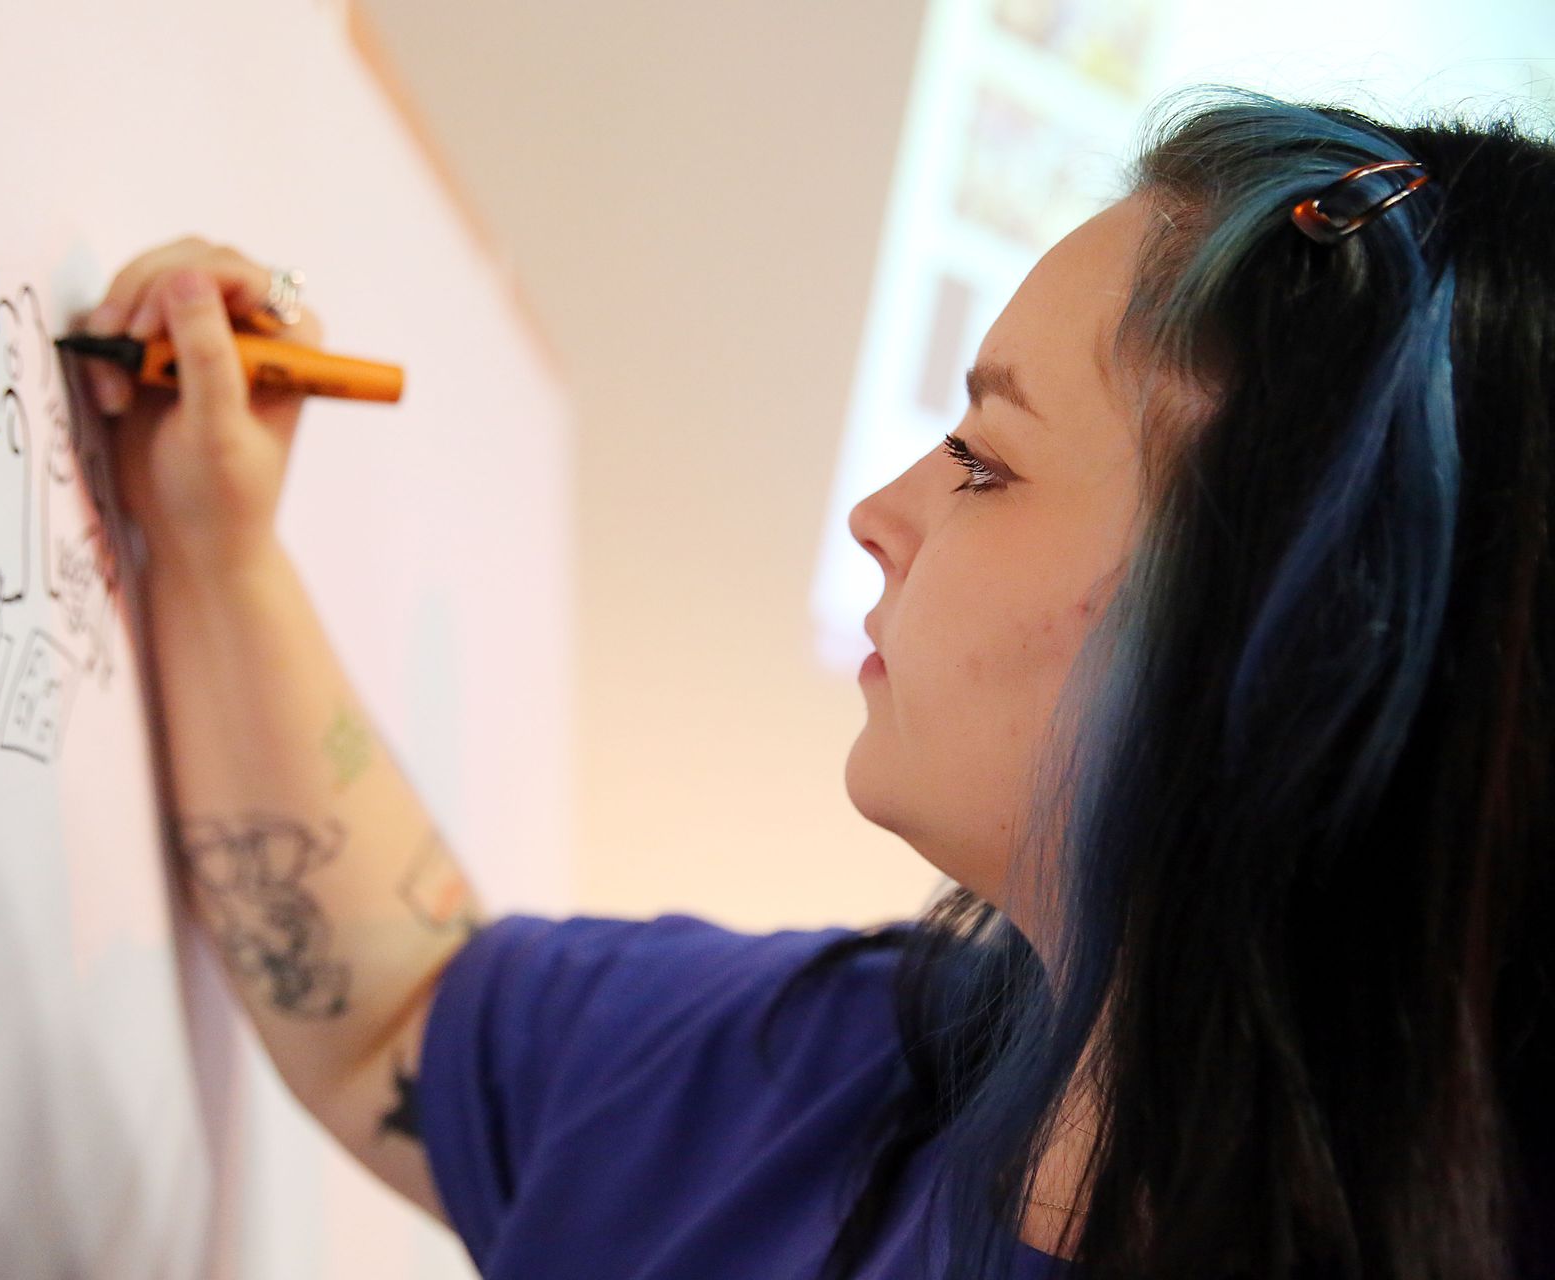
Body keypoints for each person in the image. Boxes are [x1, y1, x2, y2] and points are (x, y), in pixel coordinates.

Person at [77, 85, 1554, 1278]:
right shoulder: (848, 1080)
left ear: (1287, 634)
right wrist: (215, 546)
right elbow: (399, 1019)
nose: (883, 513)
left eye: (987, 460)